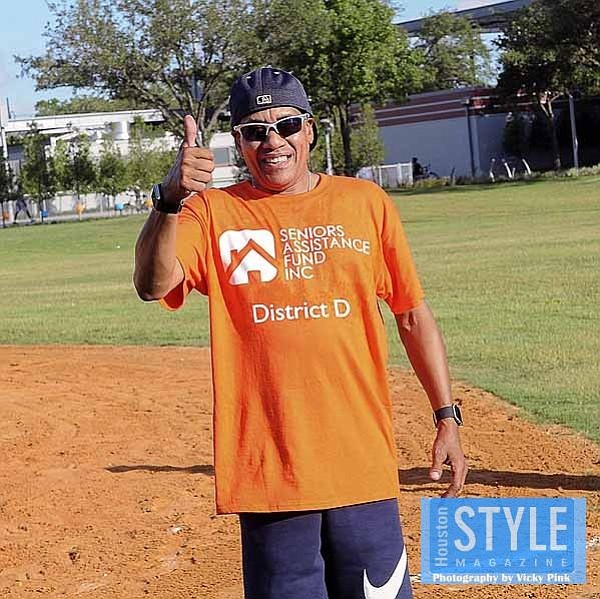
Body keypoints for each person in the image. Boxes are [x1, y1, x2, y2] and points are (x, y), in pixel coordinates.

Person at [133, 67, 467, 599]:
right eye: (255, 131)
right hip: (270, 473)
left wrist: (447, 416)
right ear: (238, 142)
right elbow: (153, 284)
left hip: (360, 464)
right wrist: (169, 200)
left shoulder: (365, 202)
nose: (273, 142)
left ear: (309, 129)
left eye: (286, 125)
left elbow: (411, 314)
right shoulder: (212, 212)